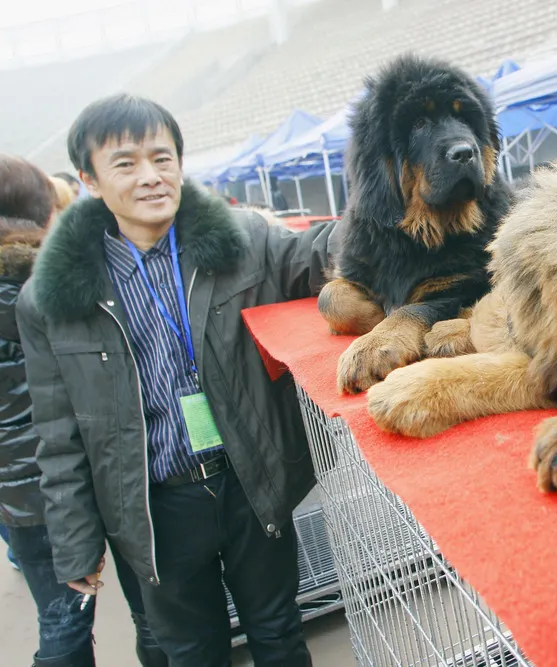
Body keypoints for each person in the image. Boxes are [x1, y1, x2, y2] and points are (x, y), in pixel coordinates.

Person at [16, 94, 337, 667]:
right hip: (155, 507)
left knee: (279, 633)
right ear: (89, 180)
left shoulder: (242, 241)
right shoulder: (49, 299)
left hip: (249, 482)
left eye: (161, 158)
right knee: (191, 654)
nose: (150, 176)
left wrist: (391, 200)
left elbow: (319, 254)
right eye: (125, 163)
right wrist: (76, 543)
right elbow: (59, 435)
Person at [0, 154, 168, 667]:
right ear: (47, 211)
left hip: (20, 493)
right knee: (151, 612)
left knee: (63, 619)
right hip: (93, 473)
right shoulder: (48, 287)